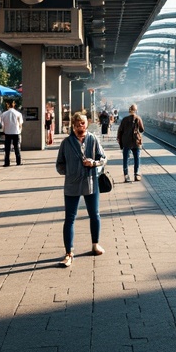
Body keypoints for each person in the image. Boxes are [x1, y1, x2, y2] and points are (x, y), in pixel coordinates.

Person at [55, 111, 106, 267]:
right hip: (72, 185)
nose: (80, 127)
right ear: (73, 126)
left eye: (82, 124)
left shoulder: (93, 139)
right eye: (77, 125)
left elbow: (103, 158)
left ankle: (95, 244)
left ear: (87, 124)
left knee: (94, 214)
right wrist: (70, 172)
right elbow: (59, 164)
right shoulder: (66, 143)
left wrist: (94, 163)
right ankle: (69, 253)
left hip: (91, 183)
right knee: (69, 218)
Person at [116, 103, 145, 181]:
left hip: (126, 141)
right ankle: (136, 174)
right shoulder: (138, 118)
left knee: (125, 159)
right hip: (136, 141)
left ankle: (126, 175)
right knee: (137, 158)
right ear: (136, 111)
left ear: (129, 110)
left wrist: (120, 141)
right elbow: (142, 129)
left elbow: (120, 131)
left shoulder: (124, 119)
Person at [0, 100, 24, 166]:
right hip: (16, 132)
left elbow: (2, 124)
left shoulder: (3, 114)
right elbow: (20, 124)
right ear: (13, 104)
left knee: (7, 148)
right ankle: (18, 161)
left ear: (7, 104)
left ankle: (7, 162)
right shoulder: (18, 114)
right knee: (17, 147)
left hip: (7, 132)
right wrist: (20, 130)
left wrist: (4, 130)